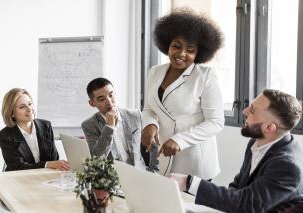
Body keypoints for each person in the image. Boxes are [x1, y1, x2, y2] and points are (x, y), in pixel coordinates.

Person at [170, 89, 303, 213]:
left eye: (252, 111)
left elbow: (247, 204)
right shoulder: (258, 142)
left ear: (269, 127)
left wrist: (189, 182)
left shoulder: (288, 166)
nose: (244, 111)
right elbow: (238, 186)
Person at [141, 8, 224, 178]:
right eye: (176, 46)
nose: (181, 54)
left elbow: (215, 122)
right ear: (167, 45)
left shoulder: (205, 76)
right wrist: (149, 125)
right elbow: (149, 108)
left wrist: (180, 140)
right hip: (164, 157)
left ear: (199, 53)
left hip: (195, 160)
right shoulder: (155, 72)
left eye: (190, 50)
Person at [81, 78, 158, 172]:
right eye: (101, 99)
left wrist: (154, 170)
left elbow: (154, 145)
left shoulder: (135, 115)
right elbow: (97, 159)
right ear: (92, 103)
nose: (109, 102)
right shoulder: (89, 125)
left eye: (111, 95)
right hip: (112, 179)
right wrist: (109, 127)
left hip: (139, 173)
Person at [0, 88, 70, 171]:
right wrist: (47, 164)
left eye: (30, 104)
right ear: (12, 113)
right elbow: (17, 167)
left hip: (45, 177)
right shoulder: (5, 136)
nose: (29, 109)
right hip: (19, 179)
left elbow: (54, 158)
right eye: (22, 107)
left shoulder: (46, 126)